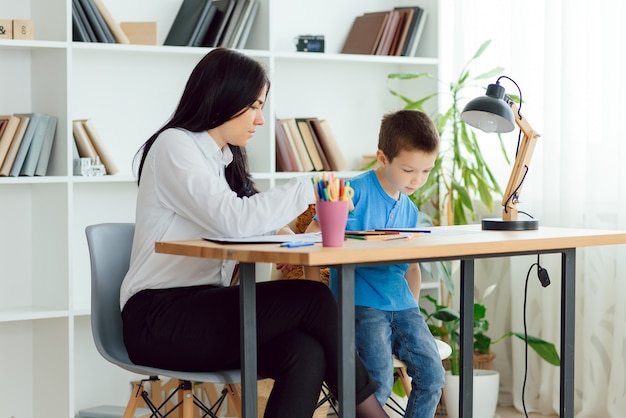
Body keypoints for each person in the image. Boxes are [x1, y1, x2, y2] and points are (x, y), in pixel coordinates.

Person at [119, 47, 388, 418]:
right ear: (222, 97)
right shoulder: (175, 146)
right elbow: (232, 220)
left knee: (304, 353)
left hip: (203, 310)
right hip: (159, 318)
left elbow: (245, 221)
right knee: (313, 298)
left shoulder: (221, 160)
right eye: (254, 106)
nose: (260, 119)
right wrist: (303, 188)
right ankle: (374, 414)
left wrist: (292, 233)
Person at [305, 109, 445, 418]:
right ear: (382, 158)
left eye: (426, 171)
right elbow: (312, 236)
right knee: (376, 384)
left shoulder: (409, 208)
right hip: (361, 306)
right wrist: (319, 303)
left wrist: (413, 311)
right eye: (409, 170)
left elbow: (412, 267)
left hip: (404, 307)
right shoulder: (354, 193)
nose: (418, 180)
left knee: (433, 377)